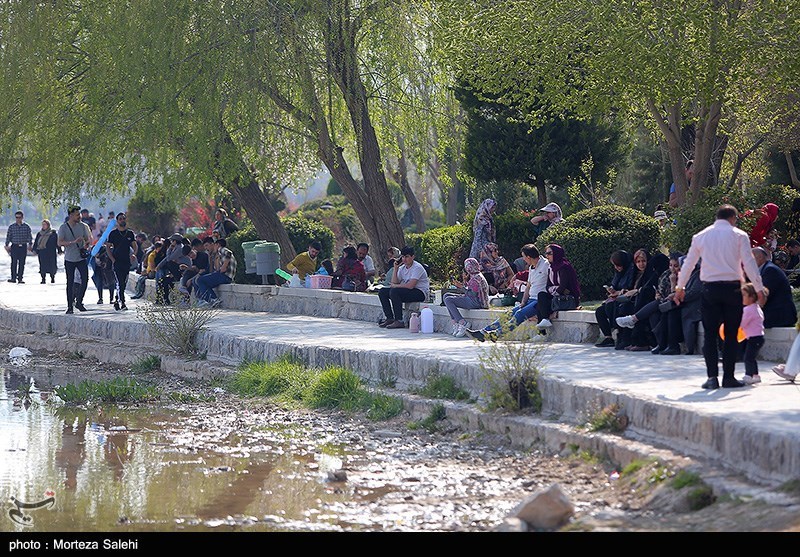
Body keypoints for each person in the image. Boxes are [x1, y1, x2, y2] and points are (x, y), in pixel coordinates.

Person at [674, 204, 766, 389]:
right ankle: (729, 378)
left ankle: (712, 378)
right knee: (731, 335)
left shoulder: (700, 236)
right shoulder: (739, 235)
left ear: (717, 217)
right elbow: (748, 263)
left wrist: (680, 287)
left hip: (709, 289)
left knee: (710, 334)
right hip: (732, 289)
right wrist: (758, 288)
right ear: (733, 218)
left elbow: (689, 264)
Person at [466, 244, 549, 342]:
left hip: (539, 301)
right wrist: (523, 302)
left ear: (528, 257)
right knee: (509, 313)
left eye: (523, 257)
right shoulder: (532, 268)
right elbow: (528, 286)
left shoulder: (546, 265)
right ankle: (483, 332)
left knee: (520, 314)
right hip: (530, 299)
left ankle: (497, 334)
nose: (523, 260)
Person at [616, 253, 681, 354]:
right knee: (653, 313)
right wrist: (658, 294)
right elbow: (659, 289)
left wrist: (673, 283)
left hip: (677, 304)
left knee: (654, 305)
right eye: (670, 265)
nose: (672, 269)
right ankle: (660, 344)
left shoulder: (682, 276)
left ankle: (633, 319)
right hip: (663, 303)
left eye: (675, 266)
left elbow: (676, 294)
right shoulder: (665, 274)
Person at [377, 245, 429, 329]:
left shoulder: (417, 267)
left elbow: (410, 286)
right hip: (407, 291)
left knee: (394, 291)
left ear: (412, 257)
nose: (404, 259)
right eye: (403, 257)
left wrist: (395, 286)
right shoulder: (402, 268)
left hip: (419, 292)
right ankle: (390, 318)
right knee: (382, 292)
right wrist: (396, 269)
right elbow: (394, 282)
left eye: (407, 257)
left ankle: (399, 321)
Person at [594, 250, 635, 348]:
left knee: (612, 307)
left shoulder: (631, 271)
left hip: (625, 300)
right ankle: (608, 337)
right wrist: (611, 290)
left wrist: (618, 292)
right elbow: (615, 284)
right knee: (600, 311)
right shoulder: (618, 273)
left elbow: (629, 288)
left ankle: (621, 335)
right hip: (616, 299)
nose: (617, 268)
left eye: (618, 265)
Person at [534, 244, 581, 330]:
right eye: (546, 253)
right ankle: (544, 324)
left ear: (556, 253)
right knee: (541, 296)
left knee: (542, 304)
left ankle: (544, 327)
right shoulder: (551, 267)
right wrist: (555, 289)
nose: (547, 256)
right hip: (557, 295)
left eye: (549, 253)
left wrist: (554, 290)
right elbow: (548, 286)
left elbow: (563, 286)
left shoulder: (564, 267)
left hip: (567, 298)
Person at [750, 246, 797, 328]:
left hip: (779, 318)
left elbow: (764, 295)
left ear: (760, 257)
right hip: (775, 316)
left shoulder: (770, 270)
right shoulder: (765, 269)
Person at [58, 205, 92, 314]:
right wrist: (73, 242)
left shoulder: (82, 226)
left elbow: (87, 239)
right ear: (71, 215)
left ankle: (79, 301)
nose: (79, 216)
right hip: (69, 259)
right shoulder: (63, 227)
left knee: (85, 279)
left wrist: (86, 244)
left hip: (80, 258)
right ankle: (69, 306)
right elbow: (59, 242)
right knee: (70, 282)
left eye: (80, 214)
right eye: (77, 215)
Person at [444, 257, 489, 338]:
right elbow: (469, 290)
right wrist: (464, 282)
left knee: (448, 300)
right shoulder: (474, 276)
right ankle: (456, 323)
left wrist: (460, 286)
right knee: (446, 296)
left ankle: (463, 323)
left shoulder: (476, 278)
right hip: (472, 299)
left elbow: (471, 294)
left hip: (476, 302)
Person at [105, 212, 136, 311]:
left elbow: (135, 245)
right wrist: (112, 259)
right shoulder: (113, 234)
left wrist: (134, 254)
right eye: (120, 219)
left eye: (124, 218)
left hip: (126, 261)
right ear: (117, 221)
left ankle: (117, 299)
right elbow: (108, 247)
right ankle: (122, 302)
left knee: (124, 282)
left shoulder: (130, 233)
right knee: (120, 282)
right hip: (117, 261)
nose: (122, 220)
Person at [194, 238, 236, 307]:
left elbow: (229, 253)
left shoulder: (221, 248)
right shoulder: (217, 254)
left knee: (200, 280)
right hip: (224, 276)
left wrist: (224, 266)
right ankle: (211, 300)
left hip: (225, 276)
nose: (206, 248)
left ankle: (212, 299)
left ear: (214, 244)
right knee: (202, 282)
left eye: (207, 245)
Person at [740, 282, 767, 385]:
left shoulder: (748, 309)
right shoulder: (757, 307)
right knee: (752, 357)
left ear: (752, 297)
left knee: (748, 357)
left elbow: (742, 323)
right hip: (758, 337)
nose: (742, 298)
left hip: (753, 338)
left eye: (744, 295)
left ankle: (749, 375)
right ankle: (756, 375)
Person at [5, 210, 33, 284]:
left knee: (22, 263)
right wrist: (6, 245)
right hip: (14, 246)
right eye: (16, 217)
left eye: (19, 217)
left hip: (23, 246)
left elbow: (29, 236)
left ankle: (20, 278)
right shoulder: (11, 227)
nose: (18, 219)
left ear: (22, 217)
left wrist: (30, 245)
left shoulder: (26, 227)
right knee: (13, 262)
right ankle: (13, 278)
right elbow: (8, 237)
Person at [32, 219, 60, 284]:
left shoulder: (53, 233)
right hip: (42, 252)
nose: (44, 226)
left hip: (51, 252)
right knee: (42, 265)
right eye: (43, 225)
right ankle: (43, 279)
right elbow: (36, 242)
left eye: (45, 224)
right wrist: (34, 250)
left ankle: (52, 278)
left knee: (52, 266)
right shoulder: (39, 233)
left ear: (48, 225)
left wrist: (59, 250)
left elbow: (57, 242)